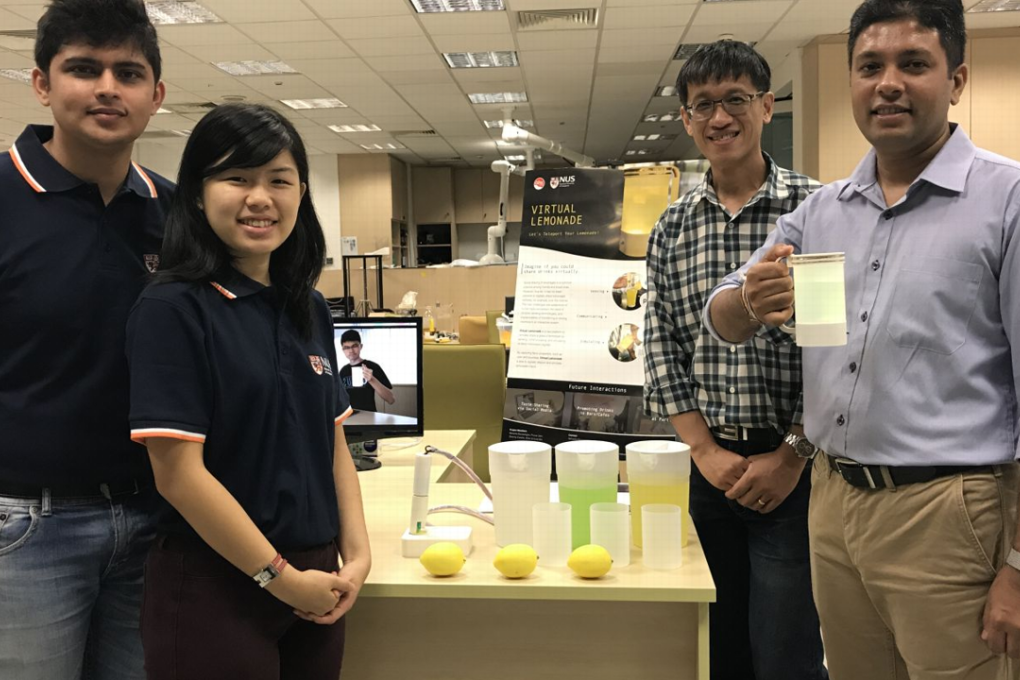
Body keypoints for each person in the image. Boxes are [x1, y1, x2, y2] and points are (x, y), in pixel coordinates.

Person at [706, 1, 1020, 677]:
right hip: (833, 504)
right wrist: (750, 301)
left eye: (914, 64)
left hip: (947, 510)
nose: (888, 83)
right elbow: (722, 314)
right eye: (870, 66)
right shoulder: (822, 213)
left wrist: (1019, 569)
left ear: (957, 79)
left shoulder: (1006, 201)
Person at [125, 103, 371, 678]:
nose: (260, 198)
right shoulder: (172, 308)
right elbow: (179, 474)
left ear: (300, 194)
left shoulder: (307, 305)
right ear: (197, 193)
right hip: (219, 581)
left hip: (317, 580)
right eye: (237, 178)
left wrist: (357, 557)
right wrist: (279, 579)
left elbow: (332, 443)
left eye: (279, 180)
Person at [643, 40, 827, 680]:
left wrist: (792, 454)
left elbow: (839, 349)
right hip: (709, 468)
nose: (720, 117)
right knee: (711, 641)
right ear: (688, 123)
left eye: (735, 100)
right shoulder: (672, 225)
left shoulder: (818, 208)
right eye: (704, 106)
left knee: (784, 651)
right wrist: (704, 453)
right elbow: (660, 345)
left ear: (767, 105)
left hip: (795, 469)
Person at [0, 1, 169, 677]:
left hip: (156, 521)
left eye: (127, 72)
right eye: (83, 68)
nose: (107, 87)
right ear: (42, 83)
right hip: (27, 529)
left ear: (154, 95)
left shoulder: (176, 212)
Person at [339, 329, 395, 412]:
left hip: (369, 417)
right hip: (349, 418)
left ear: (360, 346)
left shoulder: (372, 367)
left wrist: (372, 379)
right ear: (343, 350)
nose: (351, 350)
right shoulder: (343, 371)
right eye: (346, 347)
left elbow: (391, 399)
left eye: (354, 346)